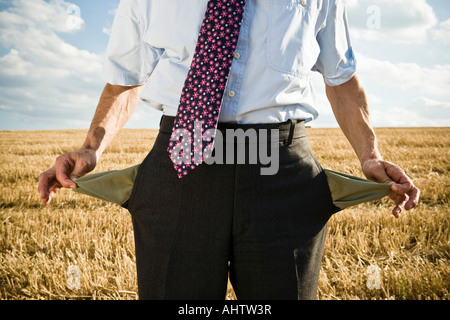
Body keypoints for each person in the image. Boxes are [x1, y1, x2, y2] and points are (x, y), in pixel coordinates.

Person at [38, 0, 420, 300]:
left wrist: (370, 155)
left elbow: (342, 79)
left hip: (280, 174)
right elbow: (125, 79)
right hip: (180, 170)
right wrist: (90, 149)